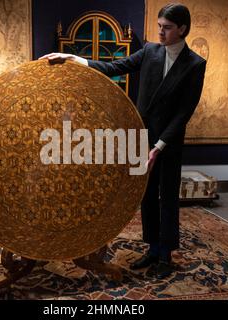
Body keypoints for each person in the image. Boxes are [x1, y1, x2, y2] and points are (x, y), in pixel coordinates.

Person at [40, 3, 206, 279]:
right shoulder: (151, 51)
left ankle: (166, 252)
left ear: (182, 30)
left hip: (169, 141)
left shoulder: (195, 64)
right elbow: (116, 65)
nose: (160, 32)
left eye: (166, 28)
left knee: (168, 197)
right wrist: (73, 59)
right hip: (142, 137)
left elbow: (184, 112)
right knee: (148, 195)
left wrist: (159, 147)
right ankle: (153, 249)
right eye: (159, 26)